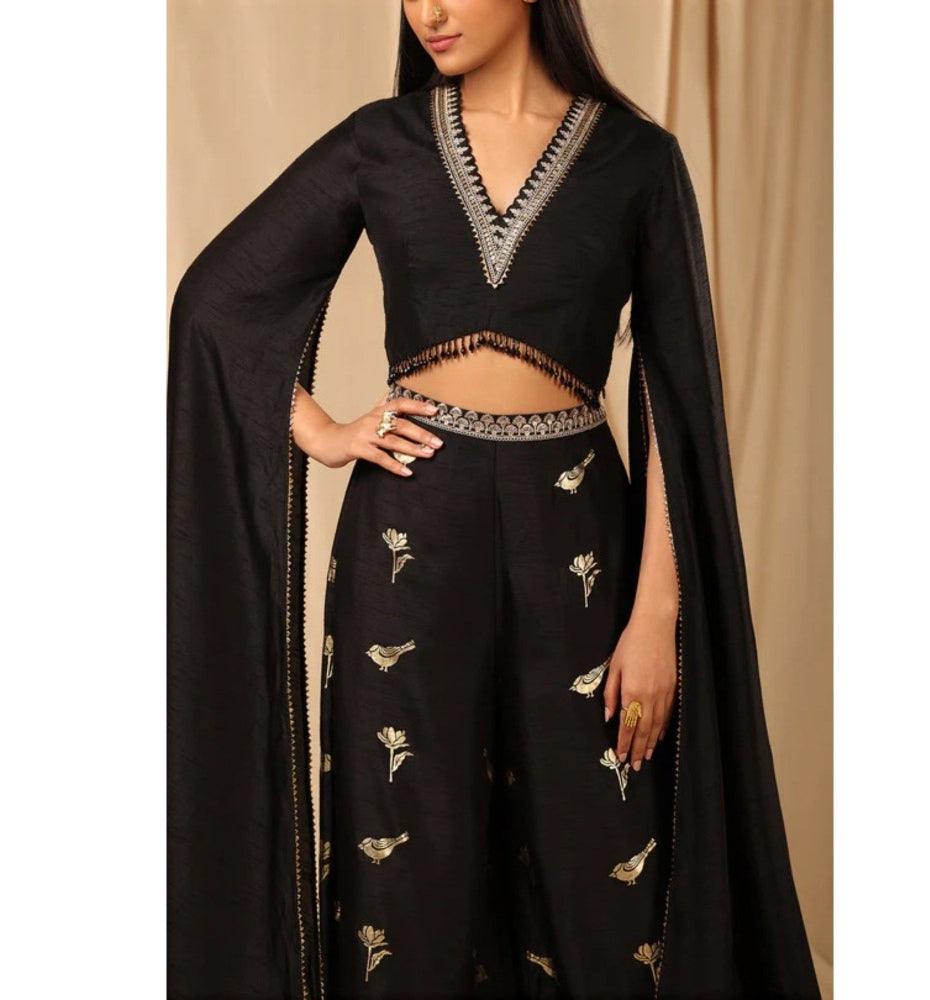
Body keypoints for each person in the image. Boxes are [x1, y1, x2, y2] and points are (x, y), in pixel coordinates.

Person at [167, 1, 822, 998]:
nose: (427, 10)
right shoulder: (381, 143)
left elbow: (674, 399)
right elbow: (218, 301)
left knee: (603, 866)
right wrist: (323, 430)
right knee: (405, 871)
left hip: (580, 546)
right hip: (409, 540)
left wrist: (657, 616)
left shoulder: (637, 161)